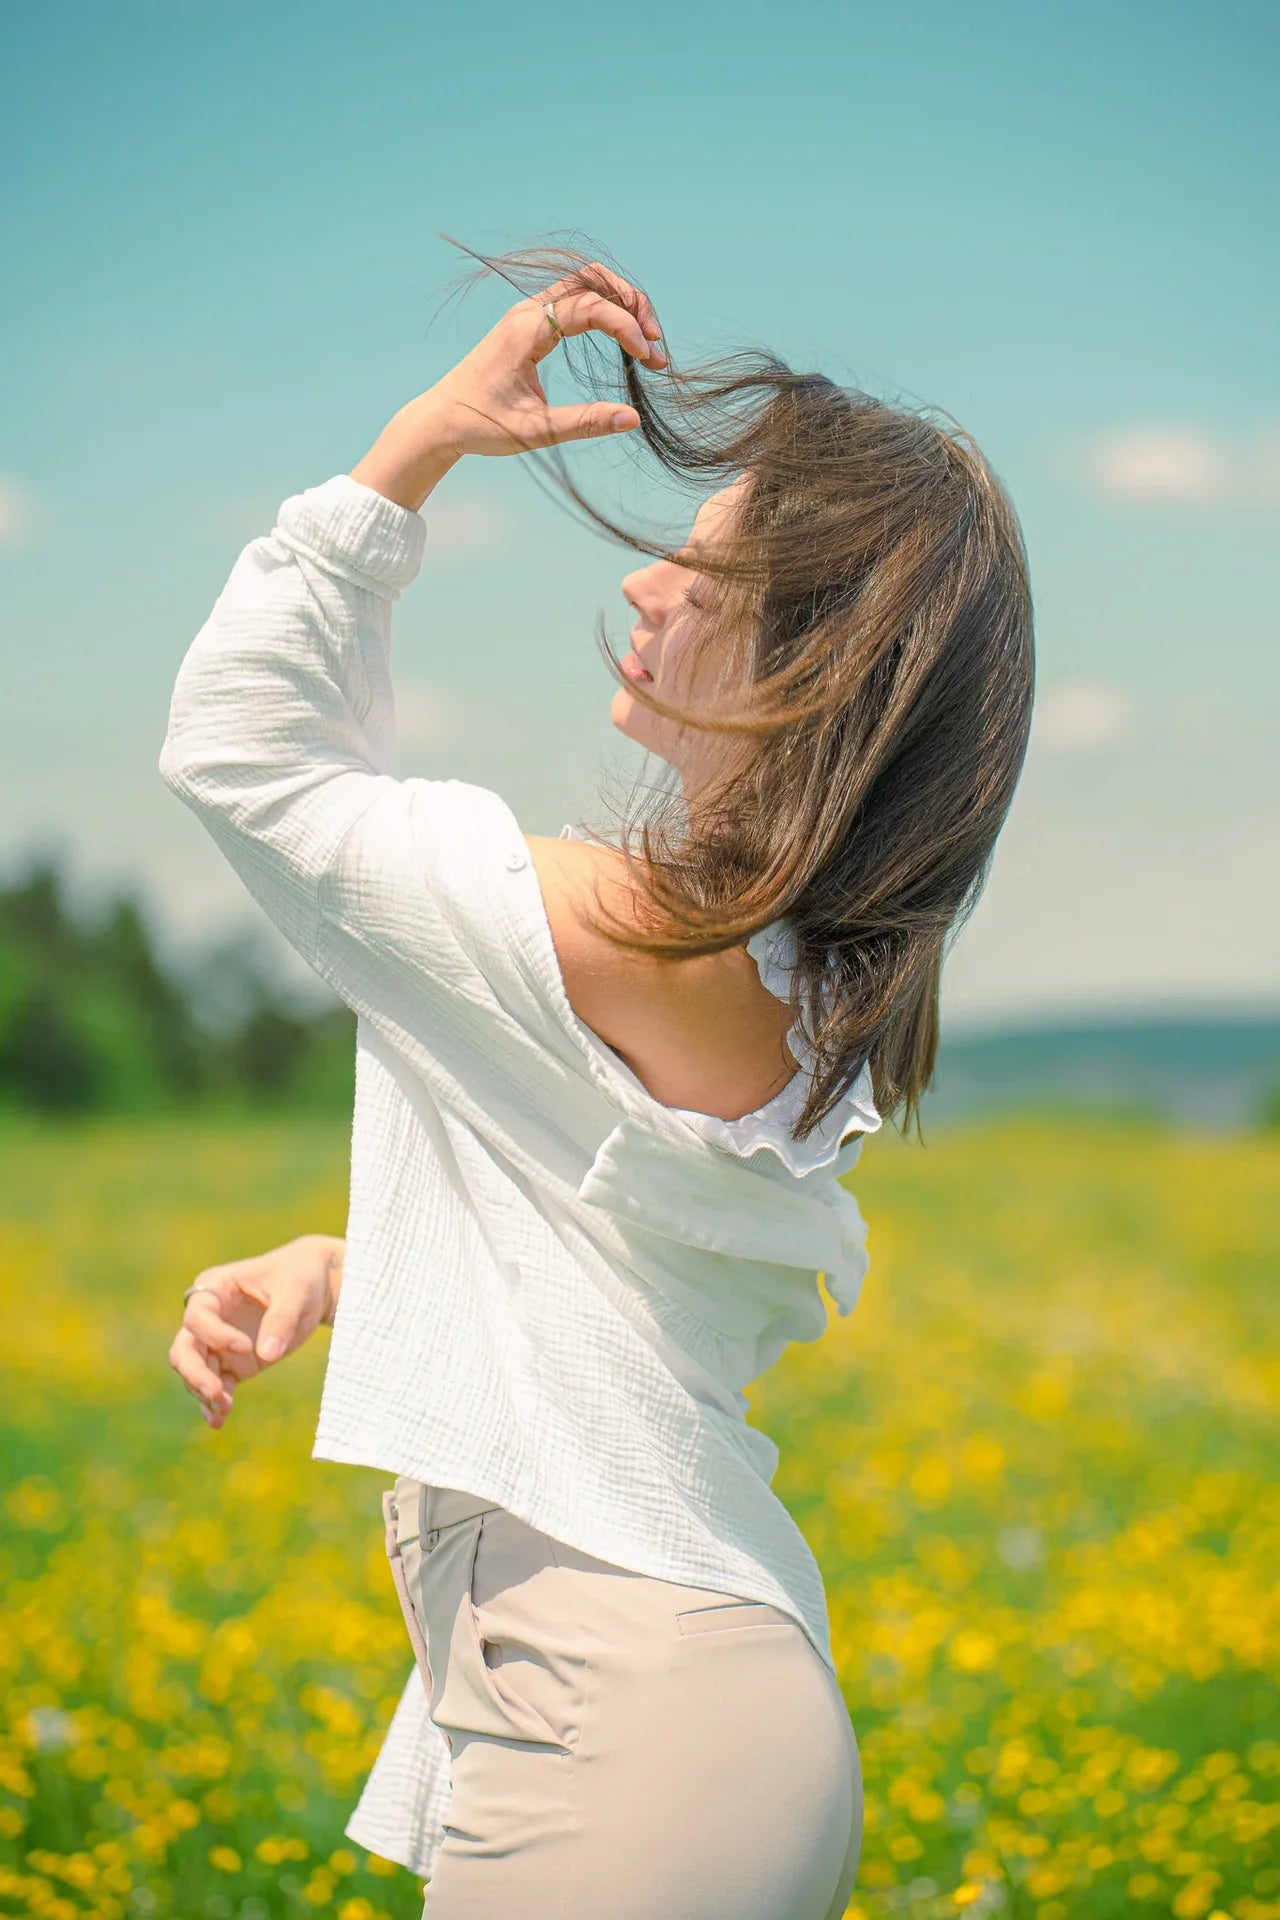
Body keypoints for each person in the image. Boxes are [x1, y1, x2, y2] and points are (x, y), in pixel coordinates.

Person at [161, 244, 1035, 1918]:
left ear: (814, 664)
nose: (642, 590)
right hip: (692, 1717)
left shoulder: (635, 927)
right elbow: (624, 1265)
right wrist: (358, 1270)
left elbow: (244, 748)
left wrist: (410, 451)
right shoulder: (785, 972)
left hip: (623, 1737)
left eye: (696, 570)